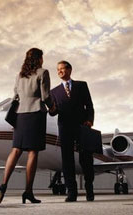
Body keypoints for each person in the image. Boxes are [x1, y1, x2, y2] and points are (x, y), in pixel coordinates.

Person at [0, 48, 54, 204]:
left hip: (20, 116)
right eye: (42, 57)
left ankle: (3, 186)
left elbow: (16, 96)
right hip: (35, 115)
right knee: (33, 153)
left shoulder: (20, 76)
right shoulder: (43, 73)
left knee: (16, 150)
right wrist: (53, 108)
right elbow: (45, 96)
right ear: (39, 58)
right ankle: (28, 192)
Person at [49, 60, 95, 202]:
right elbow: (53, 113)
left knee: (86, 158)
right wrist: (51, 109)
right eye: (58, 70)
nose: (59, 72)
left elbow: (90, 105)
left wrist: (90, 120)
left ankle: (89, 189)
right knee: (67, 160)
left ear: (69, 70)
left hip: (82, 126)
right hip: (65, 127)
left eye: (62, 69)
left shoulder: (81, 85)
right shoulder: (54, 92)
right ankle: (72, 193)